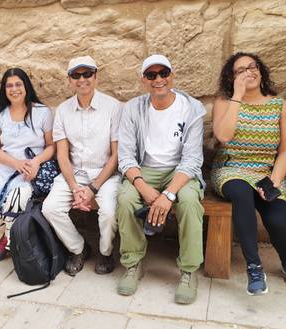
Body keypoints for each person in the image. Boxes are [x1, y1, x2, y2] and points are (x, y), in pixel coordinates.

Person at [210, 52, 286, 295]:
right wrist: (238, 96)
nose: (248, 72)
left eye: (252, 67)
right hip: (230, 169)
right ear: (232, 78)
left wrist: (273, 182)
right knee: (241, 192)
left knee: (277, 220)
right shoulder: (224, 103)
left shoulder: (280, 106)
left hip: (267, 171)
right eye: (240, 70)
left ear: (261, 71)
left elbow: (285, 151)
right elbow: (223, 137)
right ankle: (254, 267)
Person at [116, 55, 206, 305]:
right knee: (125, 198)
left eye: (163, 73)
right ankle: (133, 264)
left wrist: (168, 195)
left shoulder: (192, 108)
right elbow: (125, 156)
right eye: (151, 75)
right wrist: (143, 187)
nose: (158, 80)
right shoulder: (133, 108)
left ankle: (188, 271)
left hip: (180, 172)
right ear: (143, 80)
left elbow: (192, 160)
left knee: (188, 201)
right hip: (145, 170)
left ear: (172, 75)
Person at [42, 56, 122, 276]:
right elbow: (63, 155)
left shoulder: (113, 107)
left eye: (87, 74)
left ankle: (105, 253)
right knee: (50, 208)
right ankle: (79, 248)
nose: (82, 79)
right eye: (76, 75)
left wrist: (93, 189)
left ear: (96, 76)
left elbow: (116, 156)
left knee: (108, 211)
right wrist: (75, 187)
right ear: (69, 80)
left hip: (106, 175)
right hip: (74, 173)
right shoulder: (63, 110)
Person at [0, 68, 55, 262]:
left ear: (26, 86)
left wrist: (36, 162)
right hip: (5, 166)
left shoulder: (42, 113)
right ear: (4, 90)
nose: (14, 89)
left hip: (32, 169)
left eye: (18, 84)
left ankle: (8, 242)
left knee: (16, 198)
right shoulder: (0, 115)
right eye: (9, 85)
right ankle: (4, 238)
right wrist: (14, 162)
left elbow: (52, 146)